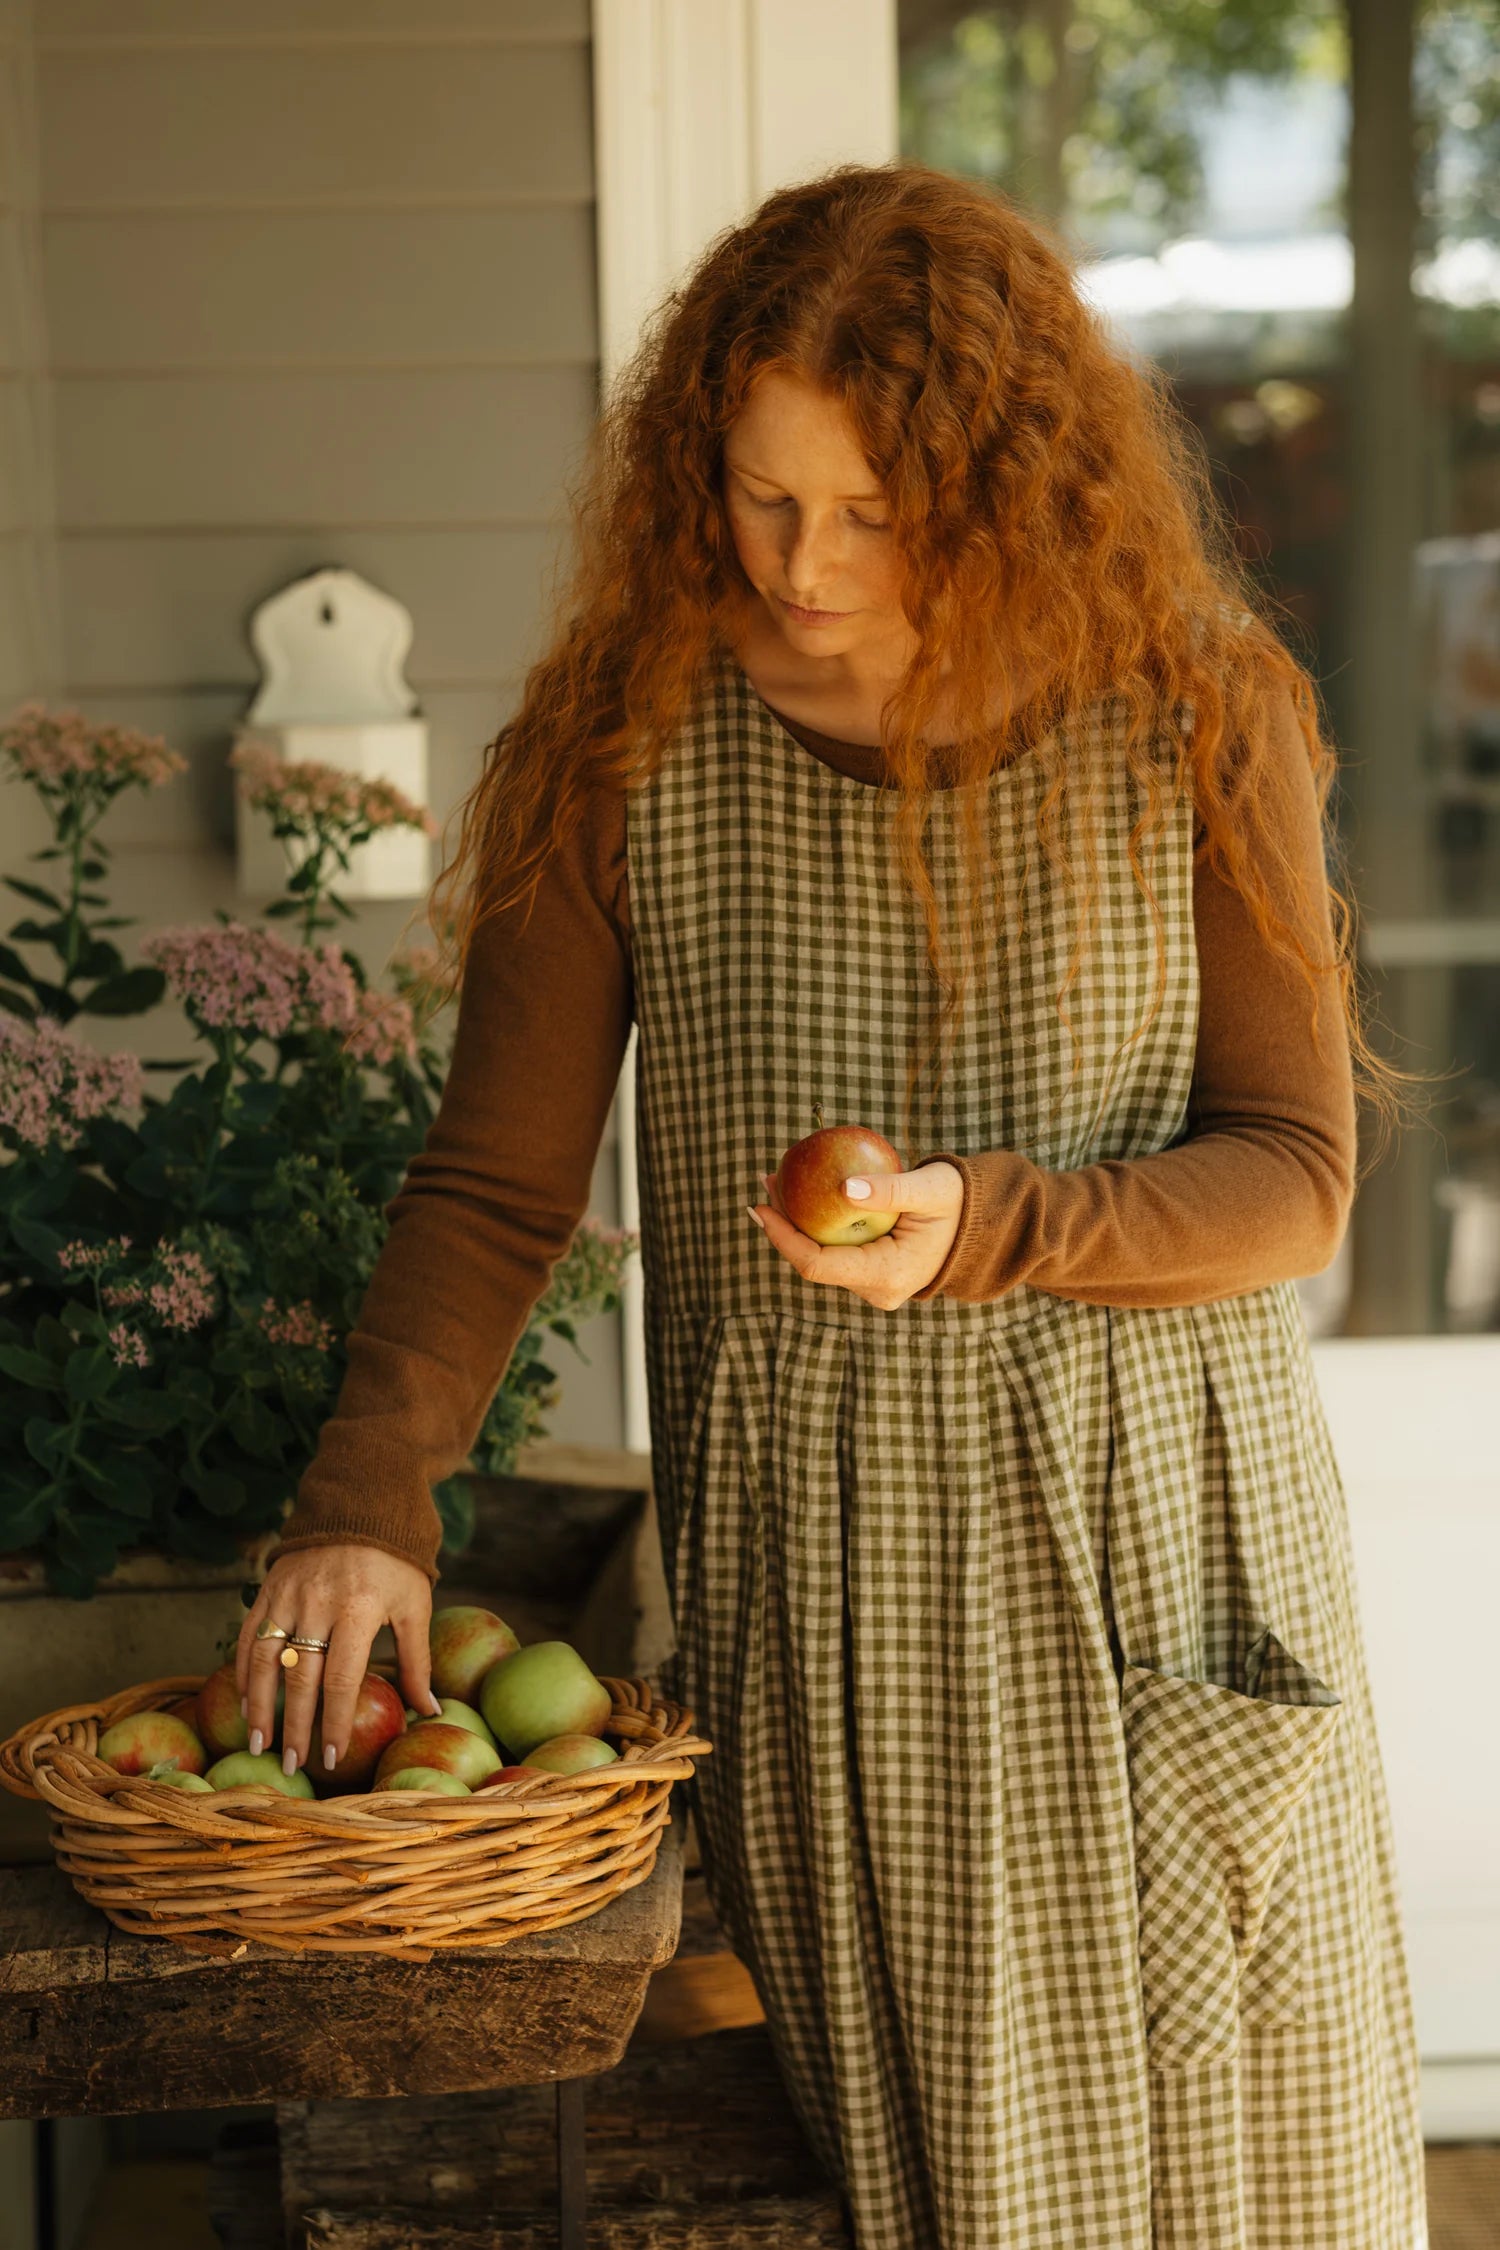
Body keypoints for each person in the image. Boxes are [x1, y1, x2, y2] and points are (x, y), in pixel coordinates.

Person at [237, 162, 1431, 2249]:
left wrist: (989, 1224)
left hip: (1166, 1559)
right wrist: (365, 1504)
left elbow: (1296, 1178)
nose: (802, 565)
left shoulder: (1191, 710)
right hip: (843, 1599)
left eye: (876, 512)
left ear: (1006, 486)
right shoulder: (627, 748)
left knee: (1261, 2186)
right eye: (763, 495)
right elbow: (498, 1185)